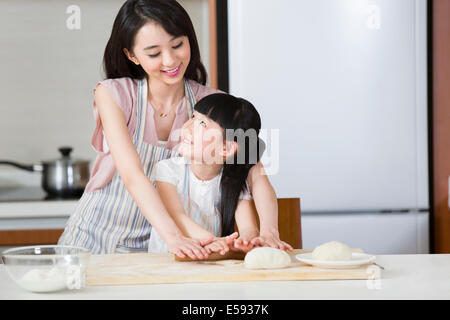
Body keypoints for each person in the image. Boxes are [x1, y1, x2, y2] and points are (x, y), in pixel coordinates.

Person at [58, 0, 290, 256]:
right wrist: (175, 237)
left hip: (167, 247)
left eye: (178, 45)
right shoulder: (114, 95)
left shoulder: (210, 106)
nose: (170, 60)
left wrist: (269, 232)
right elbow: (133, 175)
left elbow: (255, 174)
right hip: (99, 237)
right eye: (154, 53)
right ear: (131, 55)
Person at [149, 93, 292, 255]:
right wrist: (214, 240)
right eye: (193, 117)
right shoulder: (168, 169)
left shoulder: (233, 181)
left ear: (227, 148)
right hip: (165, 261)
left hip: (208, 262)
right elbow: (176, 215)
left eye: (202, 123)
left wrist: (245, 242)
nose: (188, 126)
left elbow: (248, 228)